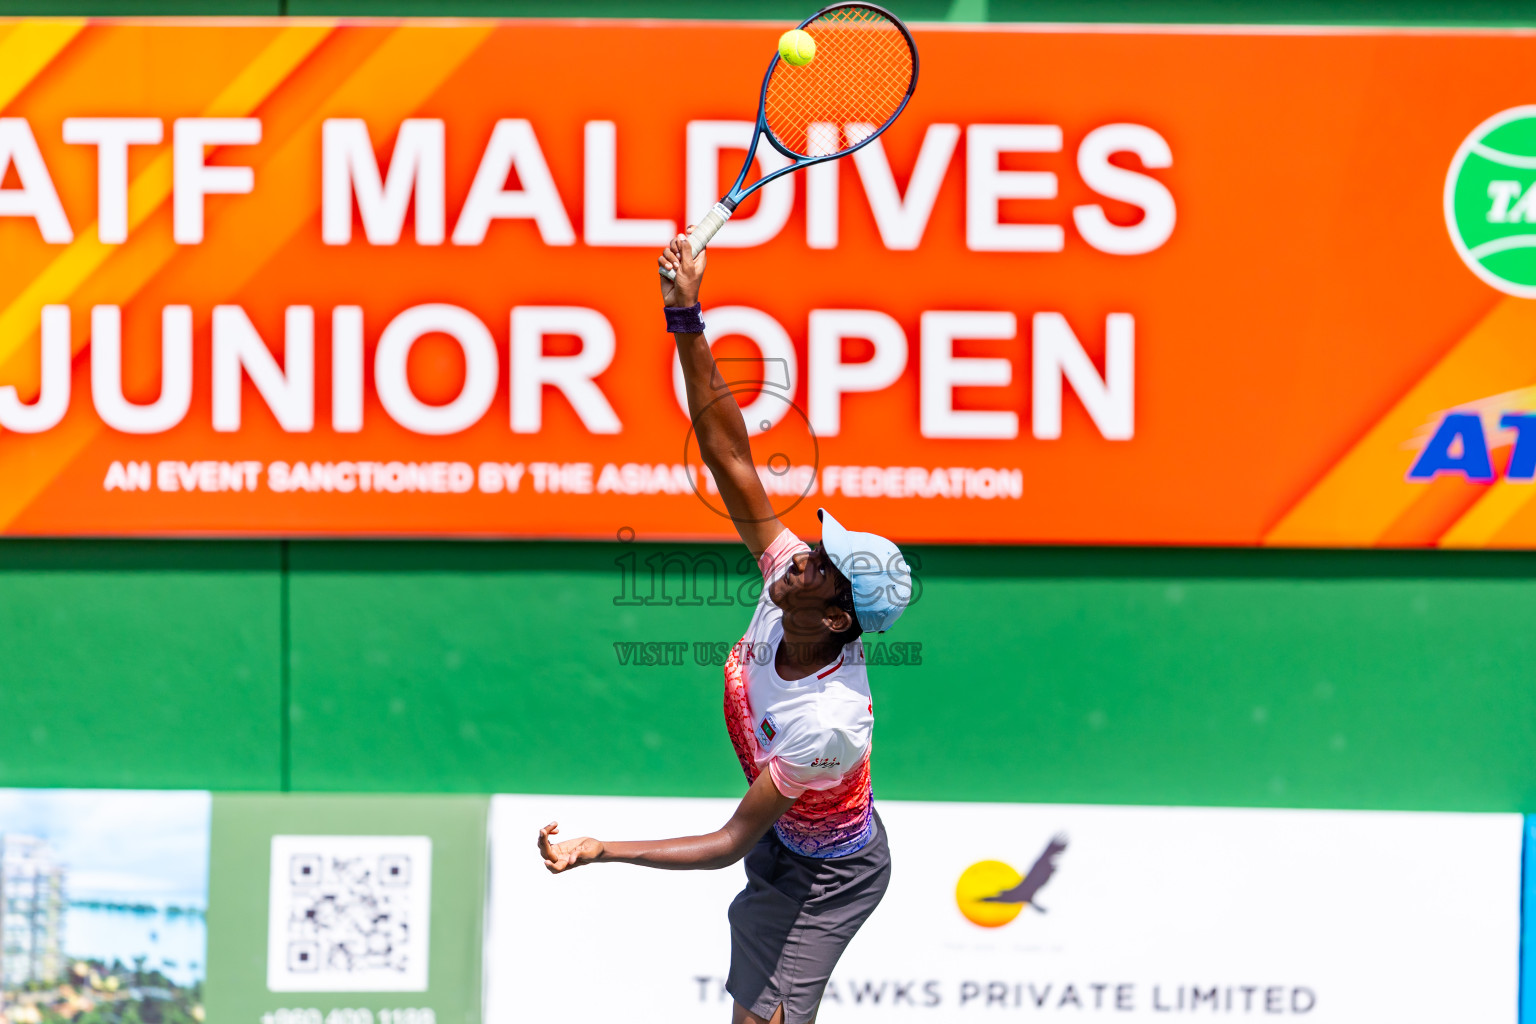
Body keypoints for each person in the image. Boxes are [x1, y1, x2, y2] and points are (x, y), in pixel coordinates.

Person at [537, 231, 912, 1024]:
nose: (800, 554)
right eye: (812, 547)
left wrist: (602, 848)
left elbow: (726, 844)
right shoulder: (789, 584)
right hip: (787, 837)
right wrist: (686, 314)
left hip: (828, 876)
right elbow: (727, 451)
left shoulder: (829, 724)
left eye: (821, 564)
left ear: (838, 615)